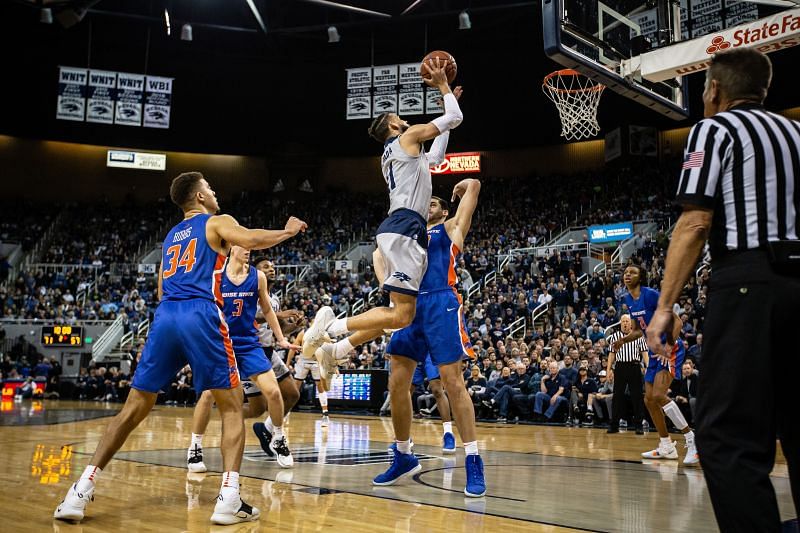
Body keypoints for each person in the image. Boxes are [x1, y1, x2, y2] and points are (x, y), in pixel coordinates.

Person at [54, 171, 307, 525]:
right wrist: (287, 231)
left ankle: (78, 492)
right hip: (199, 313)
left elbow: (160, 289)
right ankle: (229, 500)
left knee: (133, 409)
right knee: (233, 406)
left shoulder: (171, 237)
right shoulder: (216, 222)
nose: (215, 192)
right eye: (210, 188)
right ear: (200, 196)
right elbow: (249, 239)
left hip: (166, 315)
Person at [645, 48, 799, 531]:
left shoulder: (715, 129)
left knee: (729, 434)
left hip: (750, 281)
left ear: (714, 90)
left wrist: (665, 304)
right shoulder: (796, 133)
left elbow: (695, 220)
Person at [300, 58, 464, 369]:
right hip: (403, 228)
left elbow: (438, 155)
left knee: (402, 314)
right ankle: (329, 329)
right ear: (392, 124)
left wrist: (448, 105)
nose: (404, 118)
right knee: (401, 315)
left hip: (399, 228)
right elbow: (455, 117)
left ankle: (338, 347)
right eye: (399, 116)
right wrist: (443, 88)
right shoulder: (407, 137)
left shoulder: (398, 152)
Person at [187, 246, 300, 473]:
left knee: (275, 393)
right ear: (231, 248)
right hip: (222, 343)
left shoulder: (257, 277)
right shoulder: (216, 276)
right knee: (208, 395)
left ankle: (278, 438)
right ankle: (195, 447)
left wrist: (282, 339)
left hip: (249, 344)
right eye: (243, 246)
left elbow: (267, 311)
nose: (248, 250)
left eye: (250, 247)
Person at [613, 264, 696, 463]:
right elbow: (639, 330)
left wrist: (668, 346)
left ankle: (691, 439)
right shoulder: (628, 299)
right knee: (649, 399)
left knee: (658, 395)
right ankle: (666, 445)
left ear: (641, 276)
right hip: (653, 350)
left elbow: (676, 321)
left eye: (632, 272)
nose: (627, 275)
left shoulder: (650, 294)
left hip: (670, 349)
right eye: (625, 273)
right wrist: (623, 340)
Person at [249, 257, 305, 457]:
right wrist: (277, 314)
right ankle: (227, 417)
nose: (271, 269)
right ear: (255, 272)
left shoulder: (275, 297)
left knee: (292, 394)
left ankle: (267, 429)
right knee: (257, 408)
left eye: (272, 267)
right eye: (265, 267)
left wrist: (296, 326)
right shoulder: (248, 292)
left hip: (268, 350)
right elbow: (249, 317)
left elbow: (278, 330)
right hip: (249, 351)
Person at [605, 314, 647, 434]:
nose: (625, 323)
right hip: (620, 367)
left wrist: (648, 367)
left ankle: (638, 425)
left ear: (631, 323)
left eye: (627, 321)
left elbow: (644, 353)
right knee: (617, 396)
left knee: (637, 396)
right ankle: (614, 425)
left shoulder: (638, 335)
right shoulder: (614, 336)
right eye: (623, 321)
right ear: (620, 323)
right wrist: (608, 370)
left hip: (634, 366)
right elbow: (611, 354)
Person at [287, 328, 334, 426]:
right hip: (303, 360)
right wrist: (287, 363)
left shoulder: (323, 335)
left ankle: (325, 415)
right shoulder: (302, 333)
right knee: (295, 388)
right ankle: (286, 413)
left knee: (320, 388)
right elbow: (293, 348)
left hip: (316, 361)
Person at [414, 355, 458, 453]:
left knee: (437, 390)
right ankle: (402, 439)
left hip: (430, 350)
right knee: (405, 392)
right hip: (412, 348)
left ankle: (448, 433)